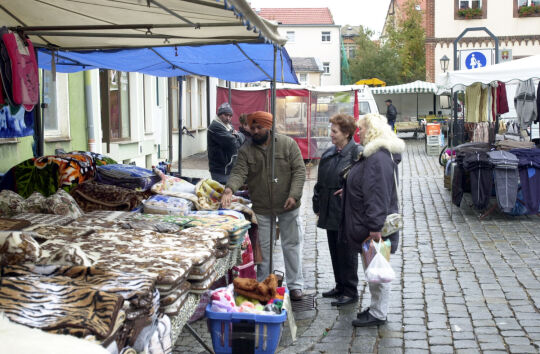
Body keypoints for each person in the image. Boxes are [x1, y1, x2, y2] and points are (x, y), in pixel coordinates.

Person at [221, 111, 306, 301]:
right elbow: (239, 172)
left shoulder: (287, 145)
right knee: (264, 249)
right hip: (262, 207)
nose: (256, 131)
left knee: (291, 245)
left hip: (288, 205)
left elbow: (300, 172)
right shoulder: (246, 150)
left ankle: (295, 285)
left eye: (260, 127)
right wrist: (229, 189)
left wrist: (294, 195)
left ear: (269, 127)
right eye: (253, 128)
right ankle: (264, 285)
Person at [340, 113, 405, 327]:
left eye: (363, 128)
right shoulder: (375, 155)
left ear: (373, 130)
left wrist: (375, 227)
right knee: (373, 269)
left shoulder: (377, 157)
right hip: (369, 224)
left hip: (374, 228)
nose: (360, 132)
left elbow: (377, 194)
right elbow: (366, 185)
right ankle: (377, 307)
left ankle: (379, 313)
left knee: (378, 269)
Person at [313, 114, 362, 307]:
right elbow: (320, 182)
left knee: (347, 251)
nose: (331, 134)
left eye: (334, 131)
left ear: (347, 133)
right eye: (331, 130)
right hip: (329, 208)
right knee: (334, 248)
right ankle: (340, 285)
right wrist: (317, 204)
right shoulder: (330, 153)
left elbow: (365, 181)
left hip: (346, 211)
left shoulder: (357, 153)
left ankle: (350, 290)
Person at [207, 103, 243, 184]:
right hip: (220, 169)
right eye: (226, 115)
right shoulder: (216, 126)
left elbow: (240, 137)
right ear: (219, 114)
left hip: (227, 167)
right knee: (222, 192)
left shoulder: (227, 125)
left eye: (230, 116)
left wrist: (237, 136)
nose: (228, 118)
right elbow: (234, 144)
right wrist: (237, 137)